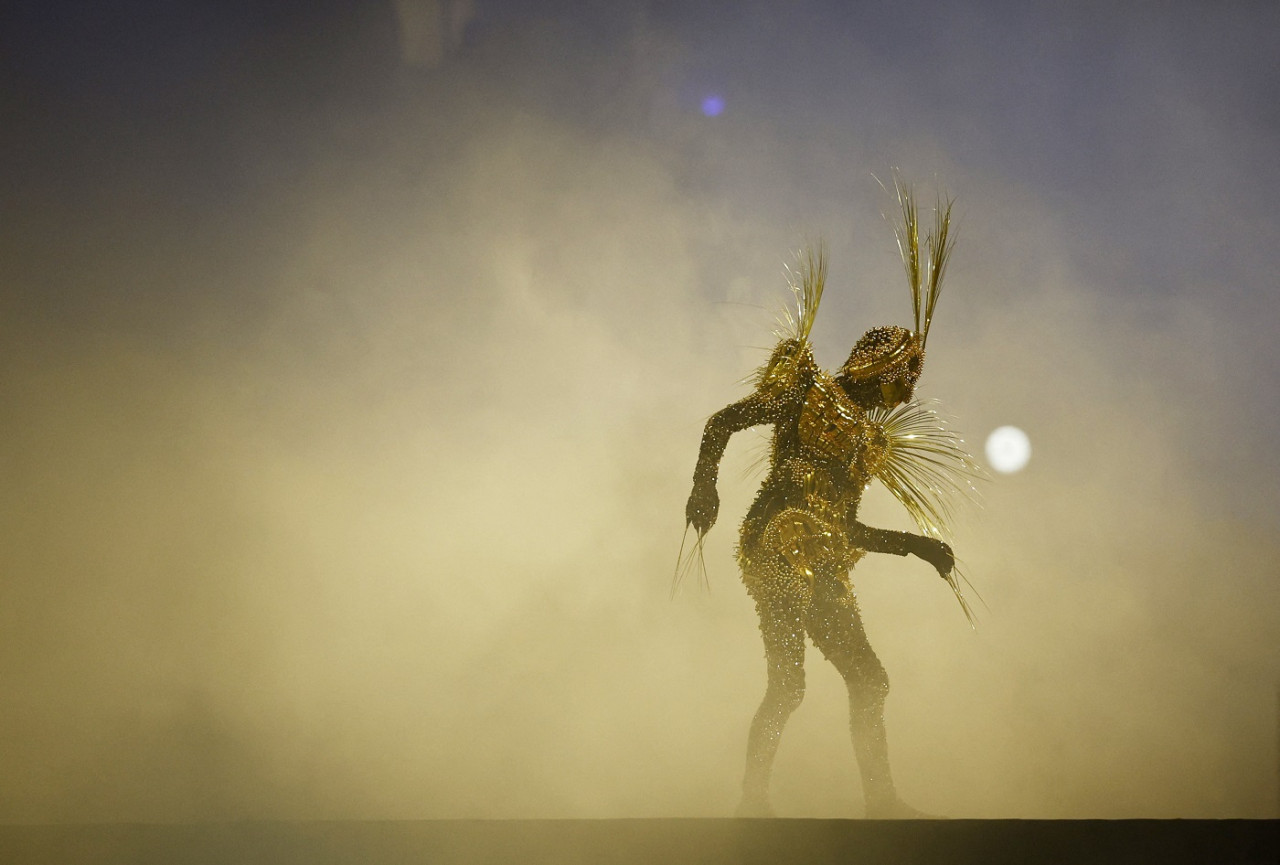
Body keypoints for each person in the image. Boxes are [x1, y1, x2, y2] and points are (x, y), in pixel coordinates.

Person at [682, 184, 978, 818]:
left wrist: (916, 546)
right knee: (789, 685)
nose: (901, 400)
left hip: (825, 558)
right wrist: (704, 484)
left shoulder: (869, 443)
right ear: (879, 368)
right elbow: (721, 422)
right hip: (778, 542)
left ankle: (881, 801)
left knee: (866, 680)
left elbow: (846, 530)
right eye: (902, 382)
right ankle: (753, 803)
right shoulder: (805, 393)